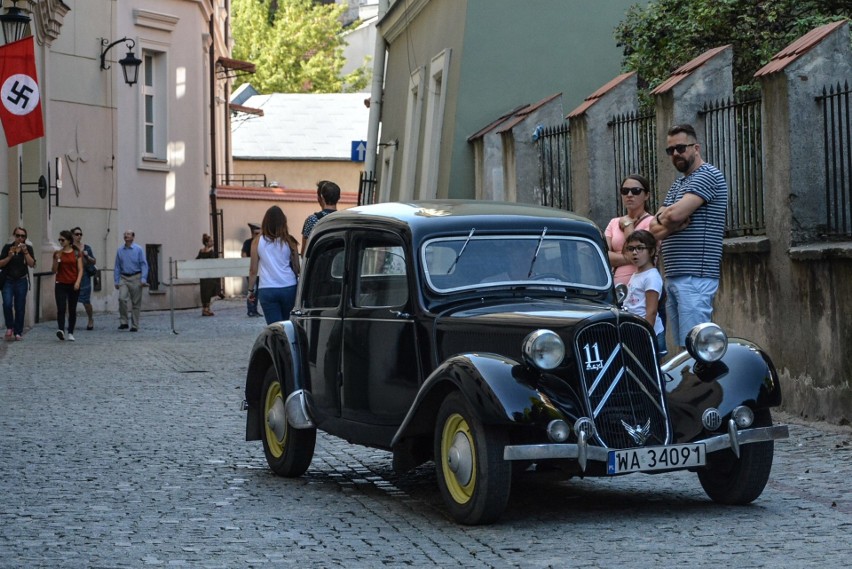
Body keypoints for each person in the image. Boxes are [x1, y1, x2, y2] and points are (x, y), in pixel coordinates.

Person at [650, 123, 728, 348]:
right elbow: (654, 229)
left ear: (696, 148)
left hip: (696, 276)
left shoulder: (707, 175)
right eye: (670, 150)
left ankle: (703, 384)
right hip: (675, 275)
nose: (676, 154)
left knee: (697, 348)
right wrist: (672, 223)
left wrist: (669, 218)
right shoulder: (679, 184)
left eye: (681, 148)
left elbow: (673, 214)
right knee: (685, 349)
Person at [249, 206, 300, 325]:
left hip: (267, 288)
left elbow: (253, 270)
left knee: (275, 328)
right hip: (289, 286)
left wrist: (250, 290)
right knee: (289, 325)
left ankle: (277, 343)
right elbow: (297, 267)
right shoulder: (290, 241)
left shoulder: (257, 242)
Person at [623, 230, 667, 361]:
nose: (634, 253)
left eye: (640, 248)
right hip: (636, 331)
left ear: (651, 252)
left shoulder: (651, 277)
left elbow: (651, 312)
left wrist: (645, 335)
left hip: (647, 333)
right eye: (630, 249)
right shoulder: (637, 274)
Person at [605, 174, 654, 286]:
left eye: (636, 191)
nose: (629, 195)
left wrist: (627, 224)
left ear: (646, 195)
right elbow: (603, 256)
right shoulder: (614, 222)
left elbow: (640, 253)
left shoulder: (652, 222)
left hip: (642, 286)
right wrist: (630, 257)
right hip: (617, 288)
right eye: (625, 191)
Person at [1, 227, 36, 341]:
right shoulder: (7, 247)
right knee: (6, 304)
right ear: (14, 236)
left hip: (21, 280)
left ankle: (18, 331)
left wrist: (25, 252)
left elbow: (32, 264)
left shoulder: (28, 248)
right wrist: (10, 256)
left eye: (23, 236)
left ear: (25, 238)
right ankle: (10, 326)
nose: (20, 238)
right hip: (8, 280)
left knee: (20, 307)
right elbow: (0, 264)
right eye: (18, 235)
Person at [113, 230, 149, 332]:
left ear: (133, 237)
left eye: (128, 234)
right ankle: (124, 322)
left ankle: (134, 325)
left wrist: (143, 278)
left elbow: (144, 264)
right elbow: (117, 266)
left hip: (136, 277)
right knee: (122, 299)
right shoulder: (120, 250)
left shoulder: (138, 249)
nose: (125, 235)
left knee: (136, 303)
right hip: (124, 277)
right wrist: (116, 280)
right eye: (124, 234)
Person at [52, 230, 83, 341]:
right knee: (61, 308)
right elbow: (54, 270)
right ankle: (61, 330)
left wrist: (78, 282)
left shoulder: (76, 253)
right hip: (60, 283)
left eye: (62, 240)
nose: (60, 241)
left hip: (73, 283)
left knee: (72, 309)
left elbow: (80, 269)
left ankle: (70, 331)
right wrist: (56, 260)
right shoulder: (57, 253)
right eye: (59, 239)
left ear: (69, 241)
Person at [300, 180, 340, 255]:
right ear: (338, 198)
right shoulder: (342, 220)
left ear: (321, 198)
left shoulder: (312, 220)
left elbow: (304, 252)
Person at [71, 227, 97, 330]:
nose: (79, 236)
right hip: (72, 275)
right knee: (71, 301)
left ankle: (90, 318)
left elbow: (94, 261)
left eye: (80, 234)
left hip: (84, 276)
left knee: (86, 301)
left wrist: (87, 256)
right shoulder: (70, 248)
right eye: (77, 234)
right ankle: (72, 321)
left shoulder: (87, 248)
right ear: (72, 235)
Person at [241, 222, 262, 317]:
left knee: (256, 291)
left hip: (259, 270)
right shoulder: (248, 242)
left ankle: (254, 309)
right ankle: (250, 309)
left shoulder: (260, 242)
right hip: (251, 270)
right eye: (256, 233)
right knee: (252, 290)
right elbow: (243, 255)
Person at [196, 233, 218, 316]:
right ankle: (207, 309)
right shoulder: (210, 252)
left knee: (203, 291)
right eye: (211, 241)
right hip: (209, 274)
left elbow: (197, 259)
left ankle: (204, 308)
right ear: (206, 243)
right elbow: (212, 262)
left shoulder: (201, 251)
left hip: (202, 274)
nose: (212, 243)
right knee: (208, 291)